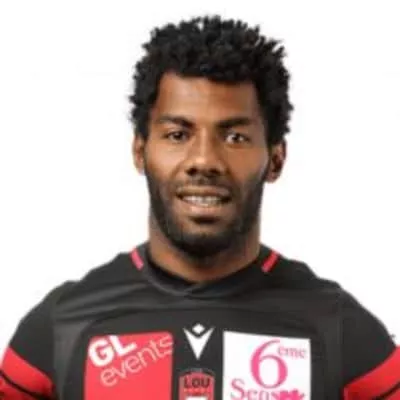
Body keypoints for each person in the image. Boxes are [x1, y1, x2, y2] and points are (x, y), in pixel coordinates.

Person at [1, 15, 399, 400]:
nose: (204, 160)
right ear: (140, 151)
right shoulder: (61, 326)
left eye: (235, 137)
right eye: (178, 134)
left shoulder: (341, 330)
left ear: (276, 159)